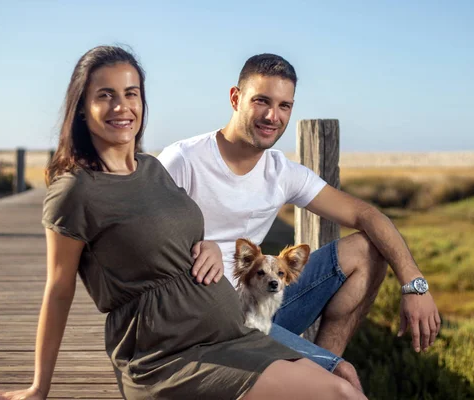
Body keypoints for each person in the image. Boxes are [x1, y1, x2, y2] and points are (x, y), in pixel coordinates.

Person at [0, 46, 367, 400]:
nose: (121, 106)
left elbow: (183, 235)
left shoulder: (152, 169)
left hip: (229, 333)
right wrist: (38, 388)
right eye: (105, 95)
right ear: (82, 107)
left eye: (131, 93)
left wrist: (212, 247)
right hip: (165, 351)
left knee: (342, 388)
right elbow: (58, 289)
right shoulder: (75, 190)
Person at [157, 53, 441, 384]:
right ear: (235, 98)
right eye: (261, 101)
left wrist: (414, 284)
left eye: (284, 106)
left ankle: (320, 369)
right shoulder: (184, 160)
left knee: (367, 250)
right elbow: (139, 241)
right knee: (343, 377)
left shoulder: (282, 172)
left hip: (262, 304)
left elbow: (366, 214)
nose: (271, 116)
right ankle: (320, 376)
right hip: (205, 322)